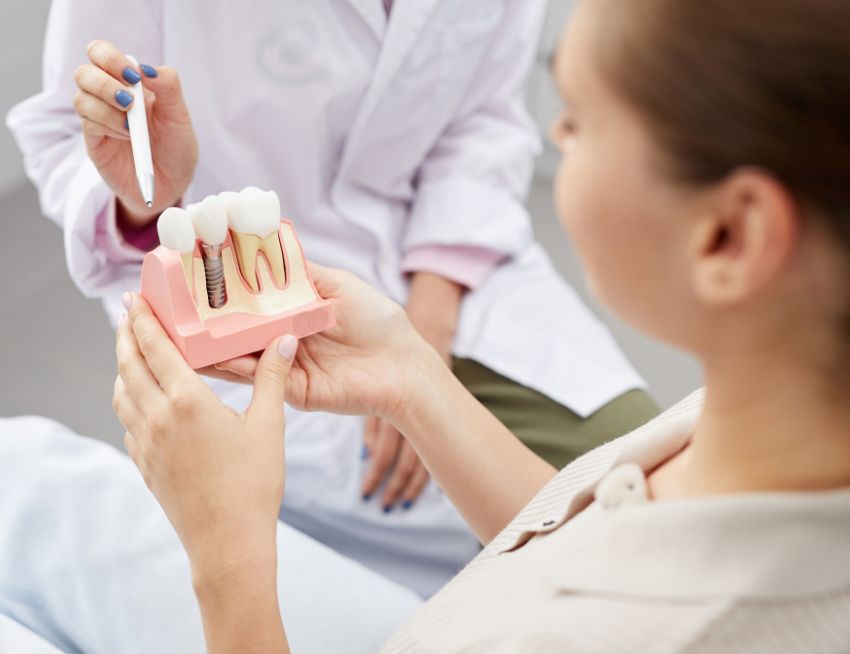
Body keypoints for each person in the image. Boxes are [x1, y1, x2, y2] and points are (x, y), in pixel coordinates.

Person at [106, 0, 849, 650]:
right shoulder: (760, 428)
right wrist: (411, 378)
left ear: (729, 236)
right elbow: (592, 546)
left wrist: (228, 559)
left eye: (579, 120)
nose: (553, 133)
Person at [5, 0, 656, 596]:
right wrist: (146, 194)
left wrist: (432, 305)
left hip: (452, 261)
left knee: (642, 490)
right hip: (236, 286)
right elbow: (70, 133)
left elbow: (484, 117)